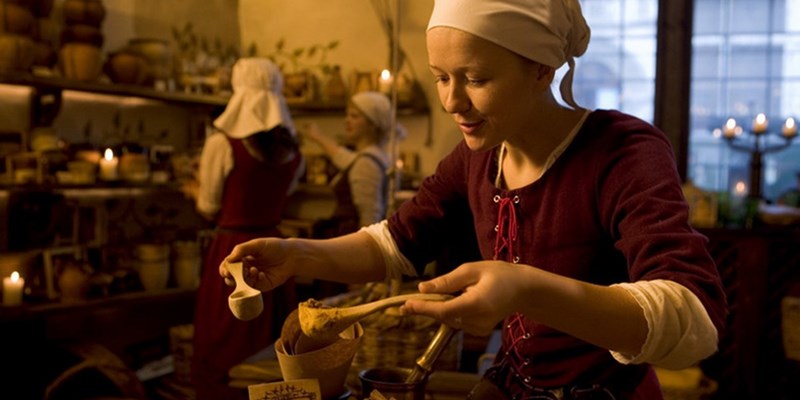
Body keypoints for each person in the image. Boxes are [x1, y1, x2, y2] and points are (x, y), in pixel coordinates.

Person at [221, 1, 727, 399]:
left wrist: (524, 290)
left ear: (542, 69)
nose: (450, 101)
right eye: (441, 76)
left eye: (475, 79)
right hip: (512, 385)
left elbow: (695, 320)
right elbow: (393, 243)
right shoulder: (477, 155)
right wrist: (299, 254)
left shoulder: (621, 151)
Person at [185, 57, 304, 400]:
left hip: (233, 252)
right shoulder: (293, 150)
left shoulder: (222, 144)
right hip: (274, 249)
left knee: (225, 341)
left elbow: (209, 206)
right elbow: (284, 190)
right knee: (272, 343)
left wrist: (193, 189)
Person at [302, 91, 404, 236]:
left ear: (372, 123)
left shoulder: (367, 162)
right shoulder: (374, 156)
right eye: (347, 115)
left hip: (352, 238)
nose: (347, 120)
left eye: (354, 116)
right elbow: (345, 158)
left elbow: (370, 216)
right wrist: (318, 137)